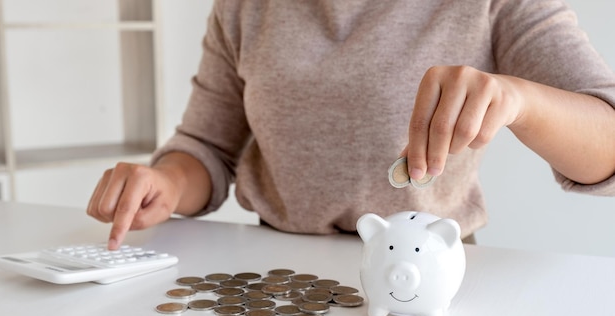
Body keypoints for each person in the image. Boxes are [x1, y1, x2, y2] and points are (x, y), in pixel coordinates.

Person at [88, 0, 615, 250]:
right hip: (281, 272)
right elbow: (204, 145)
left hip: (427, 268)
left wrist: (519, 98)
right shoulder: (243, 7)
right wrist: (167, 182)